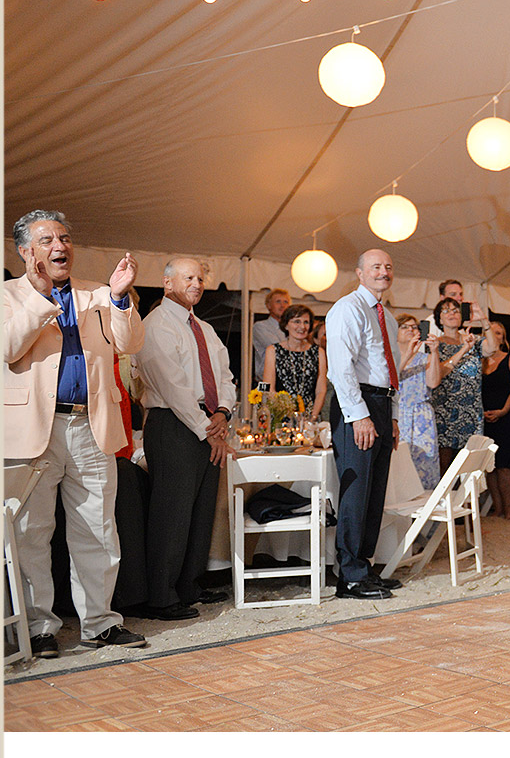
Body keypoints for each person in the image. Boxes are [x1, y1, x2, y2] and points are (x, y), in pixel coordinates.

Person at [4, 210, 148, 657]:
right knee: (31, 532)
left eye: (64, 237)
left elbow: (130, 343)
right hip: (33, 431)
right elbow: (9, 348)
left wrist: (122, 300)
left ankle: (100, 623)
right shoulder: (9, 295)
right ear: (26, 252)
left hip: (91, 423)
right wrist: (41, 294)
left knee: (98, 529)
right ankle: (40, 627)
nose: (59, 246)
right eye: (46, 240)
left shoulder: (99, 293)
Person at [134, 257, 237, 619]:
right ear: (166, 284)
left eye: (200, 278)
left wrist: (222, 414)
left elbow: (226, 376)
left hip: (207, 424)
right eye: (188, 277)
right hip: (173, 425)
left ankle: (188, 585)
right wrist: (209, 430)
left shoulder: (205, 329)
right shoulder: (154, 326)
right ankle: (160, 595)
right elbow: (173, 387)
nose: (197, 283)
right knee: (172, 513)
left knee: (200, 510)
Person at [325, 249, 402, 599]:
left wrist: (395, 415)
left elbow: (393, 369)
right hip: (357, 403)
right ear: (359, 273)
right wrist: (359, 415)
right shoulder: (348, 308)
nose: (383, 271)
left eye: (387, 266)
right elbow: (340, 367)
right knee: (356, 493)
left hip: (383, 403)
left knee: (374, 491)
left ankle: (364, 567)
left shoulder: (389, 318)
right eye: (375, 266)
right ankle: (350, 576)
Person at [481, 321, 510, 519]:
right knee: (489, 465)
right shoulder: (478, 361)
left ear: (503, 338)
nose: (494, 335)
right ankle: (497, 507)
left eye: (498, 333)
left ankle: (508, 508)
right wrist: (481, 412)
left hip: (507, 417)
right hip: (483, 417)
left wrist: (503, 411)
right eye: (491, 332)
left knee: (506, 465)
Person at [431, 296, 483, 473]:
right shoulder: (434, 344)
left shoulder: (473, 340)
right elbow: (438, 374)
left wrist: (483, 318)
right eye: (446, 311)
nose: (452, 313)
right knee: (445, 466)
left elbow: (492, 347)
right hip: (445, 410)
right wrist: (463, 350)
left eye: (456, 310)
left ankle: (468, 502)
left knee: (470, 468)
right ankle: (444, 501)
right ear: (439, 318)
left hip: (471, 410)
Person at [395, 313, 441, 491]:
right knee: (400, 466)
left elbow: (433, 382)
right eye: (405, 327)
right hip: (398, 414)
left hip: (422, 417)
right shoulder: (388, 357)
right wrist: (408, 354)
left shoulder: (425, 358)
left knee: (425, 465)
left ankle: (427, 512)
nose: (411, 330)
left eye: (414, 327)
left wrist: (434, 352)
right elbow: (391, 379)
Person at [261, 303, 327, 416]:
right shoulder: (273, 350)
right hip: (281, 416)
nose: (302, 326)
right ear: (286, 325)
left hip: (309, 417)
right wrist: (286, 415)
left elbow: (321, 390)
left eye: (306, 322)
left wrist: (312, 417)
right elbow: (268, 388)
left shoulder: (318, 352)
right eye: (297, 321)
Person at [252, 287, 291, 382]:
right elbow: (278, 348)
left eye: (286, 302)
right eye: (278, 302)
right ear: (268, 305)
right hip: (265, 381)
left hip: (288, 381)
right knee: (264, 396)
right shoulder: (260, 326)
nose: (282, 305)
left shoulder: (292, 328)